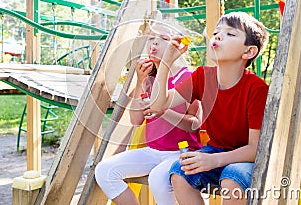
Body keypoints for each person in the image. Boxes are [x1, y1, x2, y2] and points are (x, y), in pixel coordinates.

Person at [150, 12, 270, 205]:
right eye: (216, 32)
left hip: (247, 157)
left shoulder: (256, 89)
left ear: (248, 52)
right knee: (180, 173)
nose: (218, 36)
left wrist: (213, 161)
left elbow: (255, 149)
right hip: (216, 150)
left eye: (230, 34)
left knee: (232, 178)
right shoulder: (202, 77)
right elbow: (158, 104)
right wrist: (166, 62)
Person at [95, 21, 203, 205]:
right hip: (153, 151)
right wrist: (139, 81)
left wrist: (163, 111)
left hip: (181, 152)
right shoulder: (149, 79)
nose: (154, 43)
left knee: (157, 179)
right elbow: (136, 120)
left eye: (163, 38)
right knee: (104, 171)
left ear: (178, 46)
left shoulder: (188, 77)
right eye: (151, 38)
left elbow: (195, 123)